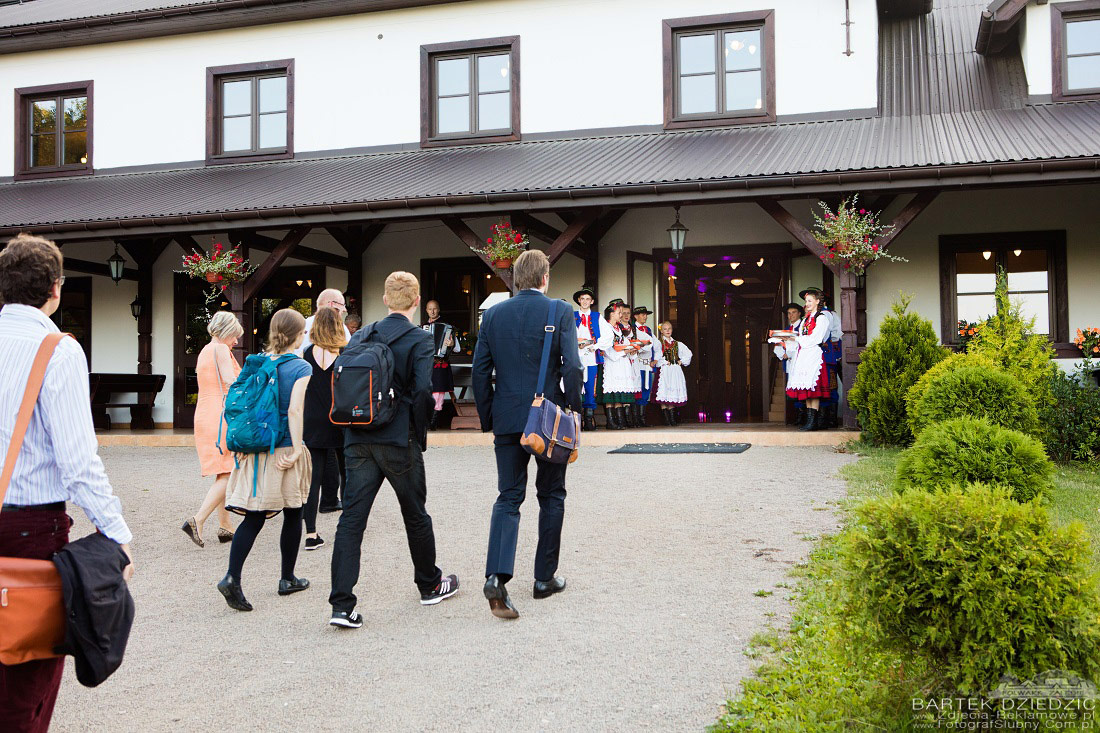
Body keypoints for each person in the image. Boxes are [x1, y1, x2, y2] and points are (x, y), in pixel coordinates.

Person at [0, 233, 134, 732]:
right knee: (25, 676)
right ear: (55, 289)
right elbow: (78, 462)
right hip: (29, 528)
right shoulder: (56, 350)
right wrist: (116, 534)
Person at [328, 272, 459, 630]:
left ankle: (341, 604)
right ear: (416, 302)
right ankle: (429, 583)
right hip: (398, 438)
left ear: (386, 300)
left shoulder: (362, 334)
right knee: (415, 513)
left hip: (357, 436)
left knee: (351, 519)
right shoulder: (420, 339)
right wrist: (418, 432)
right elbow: (421, 392)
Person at [473, 250, 583, 620]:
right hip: (548, 420)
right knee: (551, 494)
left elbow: (479, 372)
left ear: (517, 279)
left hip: (507, 417)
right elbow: (573, 367)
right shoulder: (560, 311)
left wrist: (490, 417)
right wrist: (574, 409)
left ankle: (496, 576)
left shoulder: (493, 315)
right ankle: (543, 578)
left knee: (509, 496)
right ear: (545, 278)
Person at [217, 309, 313, 611]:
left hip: (257, 448)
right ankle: (287, 578)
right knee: (294, 511)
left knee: (254, 516)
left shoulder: (258, 363)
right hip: (283, 447)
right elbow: (295, 411)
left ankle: (233, 576)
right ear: (299, 335)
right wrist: (297, 448)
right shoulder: (299, 367)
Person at [181, 311, 243, 547]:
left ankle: (225, 526)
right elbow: (230, 380)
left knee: (222, 470)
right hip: (221, 416)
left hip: (205, 413)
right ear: (226, 332)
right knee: (230, 469)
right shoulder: (220, 349)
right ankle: (197, 520)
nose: (236, 342)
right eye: (234, 336)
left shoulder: (205, 351)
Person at [299, 289, 351, 511]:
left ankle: (313, 523)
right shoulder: (343, 341)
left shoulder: (304, 334)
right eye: (341, 307)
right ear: (331, 305)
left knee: (317, 464)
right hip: (338, 408)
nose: (344, 311)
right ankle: (337, 503)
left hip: (312, 407)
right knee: (344, 463)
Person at [781, 288, 835, 432]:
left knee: (814, 389)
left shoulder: (822, 318)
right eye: (806, 301)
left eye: (810, 301)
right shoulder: (806, 319)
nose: (807, 303)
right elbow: (801, 337)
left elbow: (816, 338)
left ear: (817, 301)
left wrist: (796, 338)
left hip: (814, 355)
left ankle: (813, 422)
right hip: (804, 355)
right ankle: (811, 421)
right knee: (808, 390)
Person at [597, 300, 637, 430]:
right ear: (611, 314)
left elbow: (624, 343)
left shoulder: (618, 329)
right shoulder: (606, 328)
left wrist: (632, 349)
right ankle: (611, 421)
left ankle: (620, 421)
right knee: (611, 392)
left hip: (621, 363)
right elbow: (607, 350)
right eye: (619, 312)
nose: (621, 315)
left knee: (619, 391)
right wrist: (624, 351)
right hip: (611, 363)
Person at [422, 299, 461, 431]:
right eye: (429, 309)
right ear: (426, 310)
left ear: (438, 309)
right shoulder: (422, 328)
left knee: (438, 393)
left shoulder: (447, 327)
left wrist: (451, 345)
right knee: (425, 391)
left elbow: (457, 350)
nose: (432, 311)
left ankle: (433, 421)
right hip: (427, 365)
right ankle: (427, 419)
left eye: (434, 308)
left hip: (440, 364)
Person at [652, 320, 694, 425]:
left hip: (674, 371)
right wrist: (663, 361)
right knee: (663, 392)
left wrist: (681, 361)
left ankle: (672, 418)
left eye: (669, 328)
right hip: (664, 370)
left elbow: (688, 353)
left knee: (671, 393)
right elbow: (655, 356)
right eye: (665, 329)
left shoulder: (677, 344)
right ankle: (666, 419)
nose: (668, 331)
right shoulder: (658, 343)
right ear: (661, 331)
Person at [572, 286, 602, 431]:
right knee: (574, 387)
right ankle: (576, 420)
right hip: (575, 357)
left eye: (587, 299)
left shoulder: (597, 317)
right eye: (582, 299)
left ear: (592, 301)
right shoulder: (571, 315)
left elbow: (607, 336)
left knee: (590, 387)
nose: (584, 301)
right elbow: (564, 334)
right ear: (579, 300)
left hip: (590, 357)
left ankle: (589, 419)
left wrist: (595, 346)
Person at [773, 302, 806, 426]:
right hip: (789, 364)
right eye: (789, 313)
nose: (791, 315)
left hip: (801, 363)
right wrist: (783, 354)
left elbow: (802, 344)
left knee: (802, 388)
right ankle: (797, 416)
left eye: (793, 312)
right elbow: (778, 344)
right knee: (792, 389)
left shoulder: (802, 328)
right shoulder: (786, 330)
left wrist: (790, 353)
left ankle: (805, 416)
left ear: (799, 313)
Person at [631, 306, 656, 428]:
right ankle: (635, 419)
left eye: (646, 314)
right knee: (637, 390)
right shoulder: (632, 329)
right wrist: (642, 346)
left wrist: (655, 359)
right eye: (642, 314)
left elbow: (655, 345)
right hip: (637, 363)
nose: (645, 317)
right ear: (636, 316)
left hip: (647, 364)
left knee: (646, 390)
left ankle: (642, 418)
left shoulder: (648, 330)